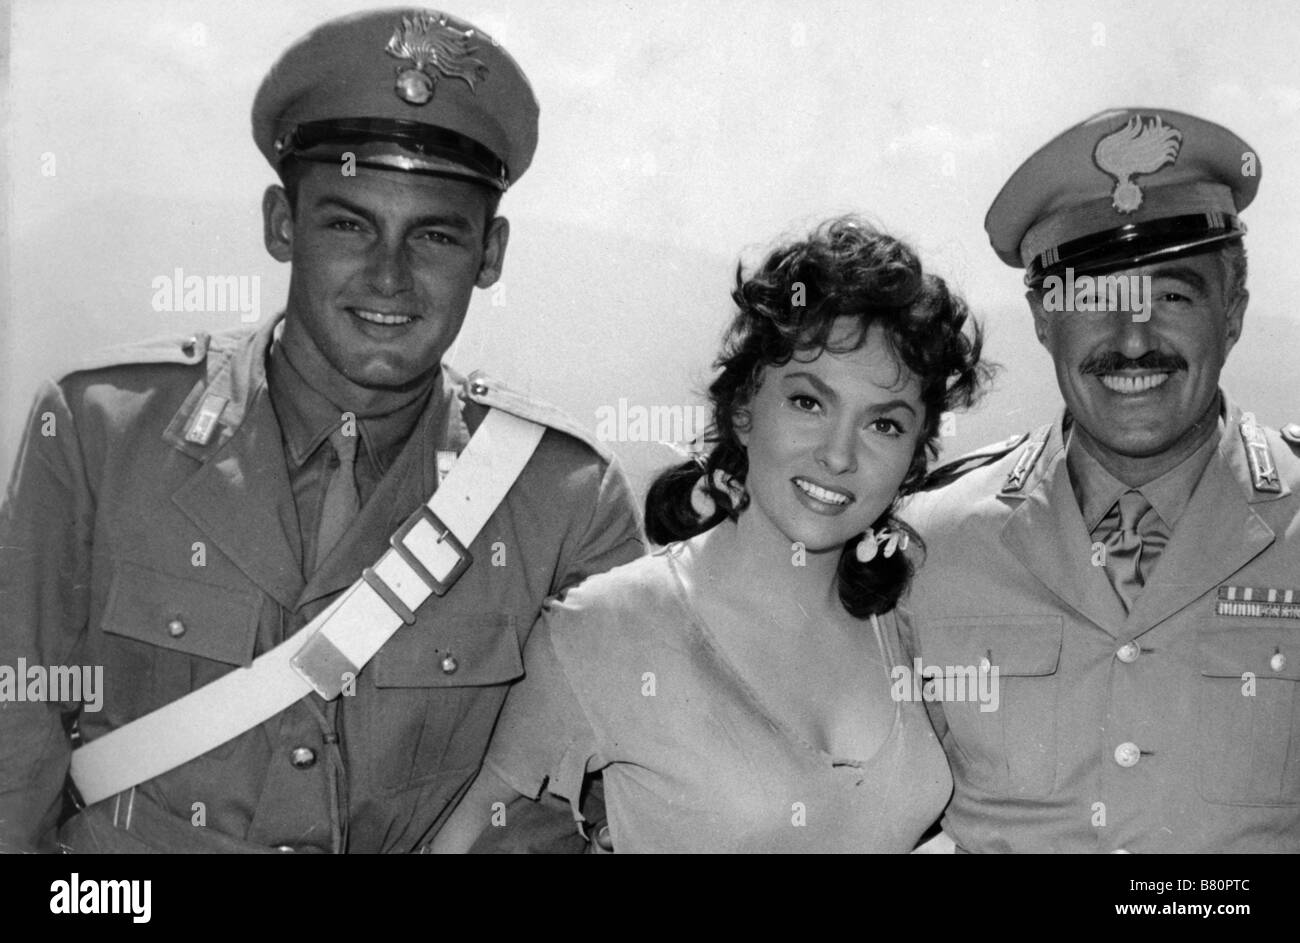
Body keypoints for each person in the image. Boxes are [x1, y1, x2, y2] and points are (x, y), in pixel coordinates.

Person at [0, 8, 643, 854]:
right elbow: (15, 749)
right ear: (281, 223)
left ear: (490, 255)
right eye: (348, 223)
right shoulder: (99, 430)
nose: (389, 276)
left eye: (436, 236)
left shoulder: (561, 498)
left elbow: (607, 793)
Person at [431, 216, 990, 853]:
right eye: (809, 402)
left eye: (884, 425)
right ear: (744, 411)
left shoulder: (906, 620)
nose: (839, 456)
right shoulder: (602, 629)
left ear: (916, 451)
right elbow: (471, 830)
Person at [897, 107, 1300, 853]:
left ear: (1233, 312)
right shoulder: (931, 543)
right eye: (1093, 300)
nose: (1134, 339)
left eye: (1173, 296)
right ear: (1044, 319)